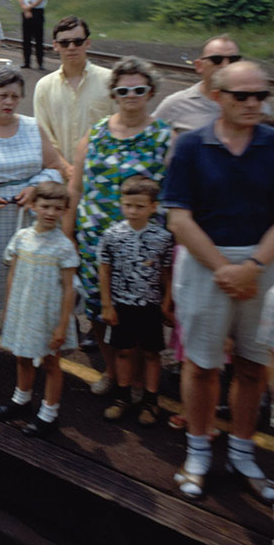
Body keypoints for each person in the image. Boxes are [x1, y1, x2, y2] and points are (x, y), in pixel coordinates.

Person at [163, 60, 274, 502]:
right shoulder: (191, 146)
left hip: (262, 265)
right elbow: (178, 217)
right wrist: (225, 269)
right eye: (241, 95)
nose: (253, 103)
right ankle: (199, 449)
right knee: (203, 365)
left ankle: (244, 450)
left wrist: (253, 268)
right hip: (207, 264)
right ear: (216, 97)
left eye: (260, 95)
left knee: (251, 365)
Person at [67, 57, 172, 395]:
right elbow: (76, 188)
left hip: (144, 247)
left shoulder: (164, 137)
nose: (131, 95)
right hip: (96, 241)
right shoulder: (96, 134)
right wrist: (68, 233)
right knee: (100, 310)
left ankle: (139, 380)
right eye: (123, 89)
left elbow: (173, 196)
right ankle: (113, 373)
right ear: (113, 93)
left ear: (151, 92)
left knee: (141, 314)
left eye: (139, 89)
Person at [0, 68, 63, 369]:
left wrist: (36, 187)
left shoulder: (33, 127)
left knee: (32, 283)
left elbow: (54, 165)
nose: (8, 101)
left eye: (15, 96)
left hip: (31, 219)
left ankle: (34, 341)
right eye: (2, 95)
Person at [0, 181, 80, 436]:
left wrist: (62, 325)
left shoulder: (63, 246)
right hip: (24, 310)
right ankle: (21, 399)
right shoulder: (21, 237)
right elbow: (13, 275)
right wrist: (9, 309)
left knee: (51, 363)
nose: (51, 212)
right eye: (45, 206)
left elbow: (68, 289)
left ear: (64, 211)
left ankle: (49, 414)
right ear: (32, 206)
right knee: (22, 356)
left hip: (49, 317)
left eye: (58, 208)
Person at [97, 175, 174, 426]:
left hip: (150, 305)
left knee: (152, 353)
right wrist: (107, 304)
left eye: (140, 206)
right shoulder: (112, 235)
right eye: (128, 205)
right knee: (124, 351)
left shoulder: (162, 237)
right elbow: (105, 270)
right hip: (122, 305)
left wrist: (167, 302)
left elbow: (166, 273)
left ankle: (151, 402)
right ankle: (122, 397)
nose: (133, 211)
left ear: (153, 207)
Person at [33, 15, 113, 180]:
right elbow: (44, 137)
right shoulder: (44, 87)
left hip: (102, 178)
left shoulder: (110, 81)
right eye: (64, 43)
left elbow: (120, 128)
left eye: (78, 42)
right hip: (61, 181)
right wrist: (66, 168)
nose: (71, 47)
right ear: (55, 46)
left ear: (87, 43)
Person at [153, 34, 270, 134]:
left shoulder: (255, 103)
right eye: (216, 60)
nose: (225, 65)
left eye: (233, 59)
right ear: (199, 66)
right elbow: (147, 138)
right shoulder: (175, 104)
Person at [15, 0, 49, 69]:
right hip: (25, 11)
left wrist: (29, 8)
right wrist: (25, 9)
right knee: (26, 39)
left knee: (39, 38)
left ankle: (40, 63)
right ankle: (27, 62)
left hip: (37, 11)